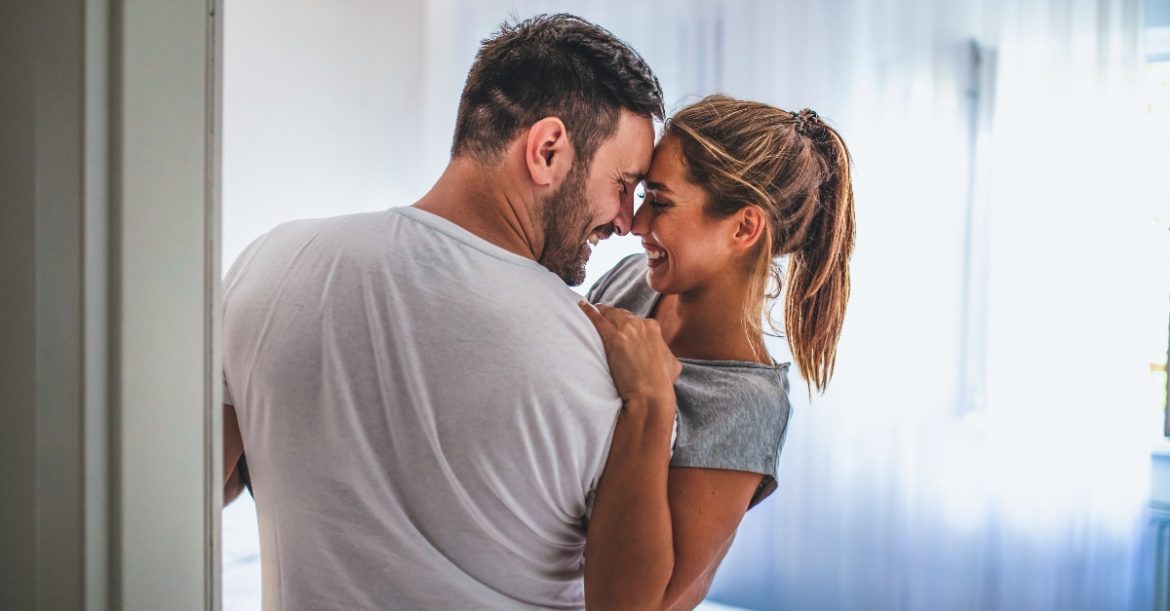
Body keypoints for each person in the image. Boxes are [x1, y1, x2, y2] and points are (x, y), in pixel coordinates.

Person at [220, 14, 664, 610]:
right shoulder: (600, 355)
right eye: (624, 184)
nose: (628, 220)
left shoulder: (268, 263)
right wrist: (653, 403)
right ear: (547, 150)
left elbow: (190, 487)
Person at [577, 95, 856, 610]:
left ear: (744, 228)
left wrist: (653, 400)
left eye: (660, 201)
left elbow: (636, 605)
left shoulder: (746, 405)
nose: (635, 223)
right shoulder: (632, 283)